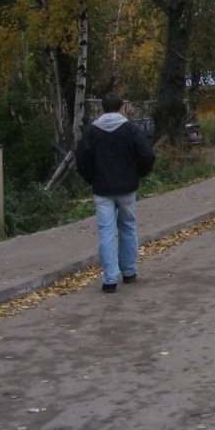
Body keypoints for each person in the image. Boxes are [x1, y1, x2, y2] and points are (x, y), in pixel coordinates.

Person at [76, 94, 156, 294]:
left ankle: (109, 279)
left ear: (102, 108)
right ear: (121, 107)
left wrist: (92, 178)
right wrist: (139, 174)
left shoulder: (92, 132)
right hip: (127, 188)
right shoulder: (131, 130)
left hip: (102, 189)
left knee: (106, 232)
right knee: (128, 227)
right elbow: (147, 155)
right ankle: (129, 272)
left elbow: (82, 159)